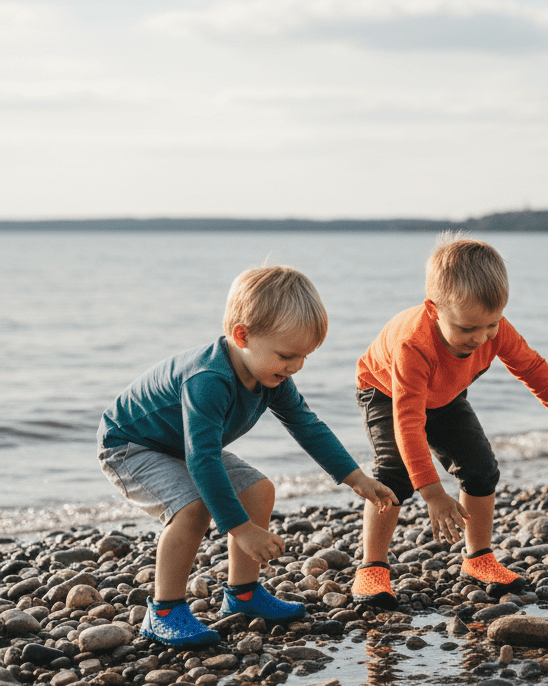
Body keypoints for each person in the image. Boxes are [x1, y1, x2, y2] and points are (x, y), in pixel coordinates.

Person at [98, 266, 397, 647]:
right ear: (242, 336)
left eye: (304, 357)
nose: (295, 367)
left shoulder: (272, 376)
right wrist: (241, 529)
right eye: (287, 355)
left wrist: (357, 478)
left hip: (181, 445)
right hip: (130, 445)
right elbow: (203, 459)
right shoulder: (208, 379)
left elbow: (308, 426)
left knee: (258, 489)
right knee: (192, 509)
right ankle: (164, 612)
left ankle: (243, 596)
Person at [352, 233, 548, 610]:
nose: (481, 339)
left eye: (491, 326)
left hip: (445, 395)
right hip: (386, 392)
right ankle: (372, 566)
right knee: (393, 474)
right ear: (434, 310)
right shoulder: (412, 345)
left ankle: (478, 558)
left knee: (480, 469)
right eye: (467, 329)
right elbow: (409, 422)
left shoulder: (492, 329)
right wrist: (432, 492)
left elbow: (529, 365)